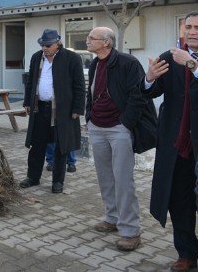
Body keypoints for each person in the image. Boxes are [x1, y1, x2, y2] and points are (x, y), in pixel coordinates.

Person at [143, 10, 198, 272]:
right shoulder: (171, 57)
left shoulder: (187, 60)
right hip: (177, 145)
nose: (192, 32)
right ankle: (187, 254)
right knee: (179, 203)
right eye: (188, 26)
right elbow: (151, 92)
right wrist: (149, 78)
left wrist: (192, 64)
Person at [85, 27, 155, 251]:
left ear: (106, 42)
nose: (87, 41)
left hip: (119, 128)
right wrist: (89, 118)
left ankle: (130, 231)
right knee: (105, 176)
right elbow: (92, 92)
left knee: (123, 180)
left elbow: (138, 94)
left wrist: (126, 123)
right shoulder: (95, 62)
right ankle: (112, 217)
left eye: (91, 38)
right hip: (97, 127)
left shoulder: (128, 62)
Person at [21, 29, 85, 193]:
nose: (45, 48)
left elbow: (79, 86)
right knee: (37, 145)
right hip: (40, 108)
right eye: (42, 44)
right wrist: (27, 101)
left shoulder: (72, 58)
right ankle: (33, 177)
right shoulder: (37, 57)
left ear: (58, 43)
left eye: (48, 45)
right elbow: (30, 82)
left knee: (60, 146)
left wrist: (78, 108)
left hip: (62, 110)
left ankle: (58, 181)